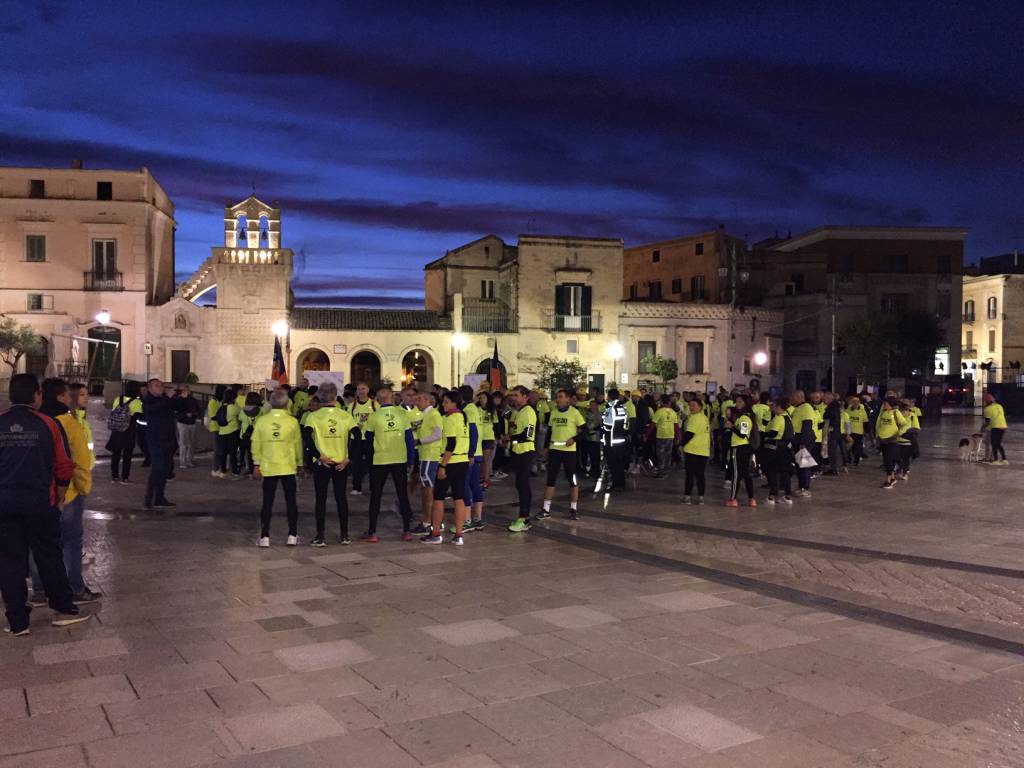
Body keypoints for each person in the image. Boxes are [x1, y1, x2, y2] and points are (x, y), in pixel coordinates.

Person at [1, 373, 91, 634]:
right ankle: (63, 608)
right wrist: (60, 497)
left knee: (9, 562)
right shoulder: (48, 424)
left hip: (5, 504)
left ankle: (17, 622)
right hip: (40, 502)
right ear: (36, 396)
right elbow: (64, 466)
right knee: (49, 555)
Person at [29, 378, 100, 604]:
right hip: (67, 492)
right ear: (61, 397)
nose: (72, 399)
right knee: (70, 541)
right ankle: (74, 588)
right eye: (69, 395)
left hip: (39, 491)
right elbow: (79, 462)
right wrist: (83, 487)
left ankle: (40, 590)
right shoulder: (69, 424)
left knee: (38, 540)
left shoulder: (36, 421)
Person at [305, 382, 356, 546]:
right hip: (341, 463)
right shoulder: (345, 415)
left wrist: (318, 456)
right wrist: (349, 458)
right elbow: (357, 436)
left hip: (323, 464)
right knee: (341, 498)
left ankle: (320, 536)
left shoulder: (313, 416)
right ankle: (345, 535)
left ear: (319, 397)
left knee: (321, 499)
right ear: (335, 396)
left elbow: (307, 438)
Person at [362, 386, 415, 542]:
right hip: (399, 459)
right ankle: (407, 531)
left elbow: (368, 440)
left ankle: (372, 532)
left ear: (378, 400)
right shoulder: (402, 414)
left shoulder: (374, 416)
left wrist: (370, 460)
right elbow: (409, 440)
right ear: (392, 398)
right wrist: (410, 460)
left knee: (376, 496)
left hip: (380, 460)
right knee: (402, 495)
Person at [252, 389, 303, 546]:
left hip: (268, 466)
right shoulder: (292, 422)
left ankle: (265, 536)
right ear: (287, 403)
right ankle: (292, 535)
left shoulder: (262, 421)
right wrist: (300, 463)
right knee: (291, 501)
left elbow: (256, 444)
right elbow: (297, 445)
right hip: (287, 466)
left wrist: (256, 463)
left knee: (267, 502)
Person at [422, 389, 470, 545]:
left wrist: (443, 465)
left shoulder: (450, 419)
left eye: (446, 402)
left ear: (454, 403)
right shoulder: (463, 417)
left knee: (438, 497)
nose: (443, 404)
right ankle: (459, 535)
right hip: (462, 461)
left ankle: (435, 533)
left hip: (450, 462)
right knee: (459, 497)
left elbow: (451, 443)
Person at [541, 389, 586, 520]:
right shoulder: (553, 412)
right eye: (557, 397)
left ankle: (573, 509)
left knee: (572, 480)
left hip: (569, 453)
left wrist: (574, 439)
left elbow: (584, 430)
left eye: (561, 397)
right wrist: (545, 447)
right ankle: (545, 509)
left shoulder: (574, 412)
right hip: (555, 450)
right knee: (550, 479)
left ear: (568, 399)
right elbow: (549, 431)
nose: (558, 399)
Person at [142, 378, 185, 509]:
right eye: (156, 385)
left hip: (169, 439)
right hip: (155, 440)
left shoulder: (166, 400)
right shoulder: (148, 401)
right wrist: (167, 398)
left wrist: (183, 398)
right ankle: (149, 499)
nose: (160, 387)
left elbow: (180, 408)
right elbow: (153, 410)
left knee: (165, 470)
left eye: (161, 385)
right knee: (157, 469)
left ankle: (160, 498)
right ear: (150, 389)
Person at [412, 390, 444, 536]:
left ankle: (427, 522)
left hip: (430, 455)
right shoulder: (425, 415)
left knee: (428, 491)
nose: (416, 402)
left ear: (427, 400)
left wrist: (420, 441)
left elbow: (438, 434)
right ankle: (433, 520)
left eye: (419, 399)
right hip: (425, 455)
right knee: (427, 489)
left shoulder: (433, 414)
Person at [506, 385, 538, 532]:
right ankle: (523, 516)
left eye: (517, 395)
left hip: (525, 452)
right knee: (520, 484)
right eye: (513, 395)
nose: (514, 397)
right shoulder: (518, 412)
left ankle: (524, 518)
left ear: (525, 397)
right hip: (518, 451)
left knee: (523, 484)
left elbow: (527, 435)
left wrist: (510, 438)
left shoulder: (528, 411)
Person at [458, 385, 486, 531]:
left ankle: (467, 520)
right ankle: (478, 519)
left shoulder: (468, 410)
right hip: (477, 452)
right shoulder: (475, 409)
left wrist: (470, 454)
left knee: (466, 485)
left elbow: (473, 433)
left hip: (471, 454)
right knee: (475, 485)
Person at [107, 380, 142, 484]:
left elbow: (113, 412)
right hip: (129, 430)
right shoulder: (136, 402)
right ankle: (125, 477)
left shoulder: (118, 399)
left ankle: (115, 476)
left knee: (116, 454)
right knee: (127, 455)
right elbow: (138, 416)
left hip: (117, 430)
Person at [725, 395, 757, 508]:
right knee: (745, 473)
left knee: (737, 473)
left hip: (739, 447)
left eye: (739, 402)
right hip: (745, 448)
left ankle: (733, 498)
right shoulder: (745, 417)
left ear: (745, 403)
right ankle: (751, 498)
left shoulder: (744, 418)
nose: (737, 404)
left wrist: (732, 427)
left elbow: (743, 434)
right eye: (736, 401)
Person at [764, 397, 794, 505]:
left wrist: (763, 434)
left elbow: (773, 433)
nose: (773, 408)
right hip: (787, 448)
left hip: (776, 449)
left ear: (779, 407)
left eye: (774, 406)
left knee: (773, 472)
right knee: (785, 472)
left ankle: (772, 496)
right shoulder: (788, 418)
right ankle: (788, 496)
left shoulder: (778, 418)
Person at [348, 383, 376, 495]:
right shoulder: (352, 406)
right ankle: (356, 487)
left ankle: (374, 487)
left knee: (373, 464)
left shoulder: (375, 405)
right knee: (356, 464)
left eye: (363, 388)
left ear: (368, 390)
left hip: (370, 438)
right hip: (356, 439)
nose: (361, 391)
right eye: (358, 389)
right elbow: (348, 421)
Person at [681, 398, 710, 504]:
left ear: (700, 406)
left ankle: (687, 497)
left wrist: (681, 443)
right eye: (690, 405)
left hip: (692, 450)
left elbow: (689, 434)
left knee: (690, 474)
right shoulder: (705, 418)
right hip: (703, 450)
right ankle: (701, 497)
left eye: (694, 405)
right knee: (700, 475)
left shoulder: (694, 418)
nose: (691, 407)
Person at [790, 390, 817, 497]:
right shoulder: (798, 408)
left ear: (798, 397)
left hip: (803, 440)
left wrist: (803, 442)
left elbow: (807, 426)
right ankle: (801, 486)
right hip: (797, 439)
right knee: (799, 465)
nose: (791, 399)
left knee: (804, 465)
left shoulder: (806, 408)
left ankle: (805, 488)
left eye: (792, 397)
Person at [876, 397, 906, 489]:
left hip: (891, 440)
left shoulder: (896, 413)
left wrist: (899, 433)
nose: (885, 405)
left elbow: (904, 424)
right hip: (883, 440)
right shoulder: (882, 413)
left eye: (886, 404)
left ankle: (888, 480)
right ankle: (892, 478)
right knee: (888, 459)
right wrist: (877, 435)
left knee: (888, 460)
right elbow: (878, 425)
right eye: (884, 404)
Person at [213, 387, 242, 478]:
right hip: (233, 432)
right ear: (233, 398)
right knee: (233, 453)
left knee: (223, 453)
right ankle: (234, 471)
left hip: (222, 432)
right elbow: (241, 414)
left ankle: (223, 471)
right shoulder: (234, 407)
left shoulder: (222, 406)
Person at [174, 384, 202, 470]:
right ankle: (182, 462)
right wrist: (185, 415)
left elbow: (198, 409)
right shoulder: (177, 400)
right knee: (183, 443)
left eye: (187, 389)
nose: (186, 391)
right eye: (183, 390)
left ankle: (189, 460)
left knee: (191, 443)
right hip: (183, 423)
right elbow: (176, 411)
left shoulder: (192, 399)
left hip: (192, 423)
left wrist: (194, 414)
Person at [651, 394, 680, 474]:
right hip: (670, 436)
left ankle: (661, 471)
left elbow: (652, 425)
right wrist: (678, 437)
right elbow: (676, 426)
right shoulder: (673, 412)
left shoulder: (659, 411)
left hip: (661, 436)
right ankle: (666, 471)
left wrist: (646, 435)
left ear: (661, 402)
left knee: (660, 455)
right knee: (668, 454)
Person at [238, 392, 263, 477]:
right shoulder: (260, 410)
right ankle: (255, 470)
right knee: (254, 453)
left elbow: (240, 419)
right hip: (257, 435)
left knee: (245, 453)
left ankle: (248, 469)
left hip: (244, 435)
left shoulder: (242, 410)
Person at [982, 392, 1009, 464]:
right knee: (998, 444)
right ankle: (1004, 459)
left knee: (994, 444)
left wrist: (982, 428)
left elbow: (987, 422)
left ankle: (995, 460)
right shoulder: (999, 406)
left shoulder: (987, 409)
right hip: (1003, 426)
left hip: (995, 427)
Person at [845, 396, 868, 466]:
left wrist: (865, 431)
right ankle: (848, 459)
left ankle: (856, 461)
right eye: (853, 401)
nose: (855, 403)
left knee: (858, 448)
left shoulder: (862, 410)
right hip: (850, 432)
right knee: (848, 447)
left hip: (859, 432)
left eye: (857, 402)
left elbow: (865, 421)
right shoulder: (848, 410)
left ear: (859, 403)